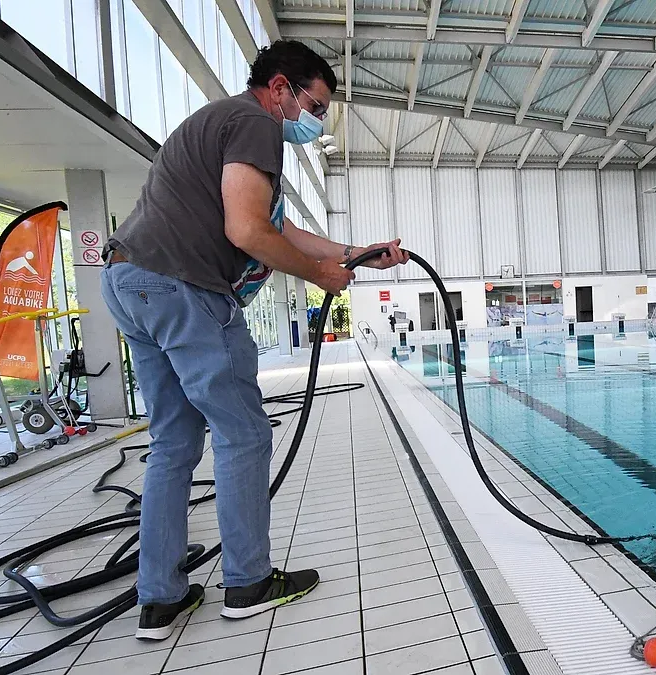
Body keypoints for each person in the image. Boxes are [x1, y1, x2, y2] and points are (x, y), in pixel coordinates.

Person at [100, 40, 408, 641]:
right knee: (243, 434)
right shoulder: (255, 123)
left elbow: (276, 229)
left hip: (129, 280)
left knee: (173, 442)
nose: (314, 121)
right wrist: (320, 276)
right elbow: (245, 230)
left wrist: (355, 255)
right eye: (314, 106)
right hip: (183, 288)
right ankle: (248, 583)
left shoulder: (217, 122)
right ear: (281, 88)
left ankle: (160, 599)